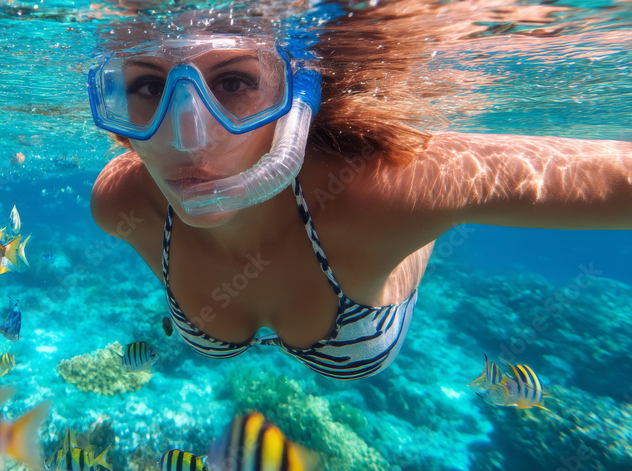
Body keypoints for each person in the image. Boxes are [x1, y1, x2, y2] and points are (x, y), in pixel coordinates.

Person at [88, 22, 632, 380]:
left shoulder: (382, 193)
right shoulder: (121, 205)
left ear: (295, 97)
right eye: (148, 87)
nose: (188, 136)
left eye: (233, 83)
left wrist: (421, 204)